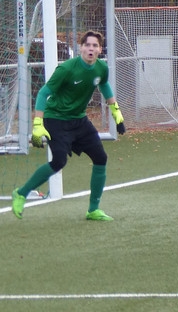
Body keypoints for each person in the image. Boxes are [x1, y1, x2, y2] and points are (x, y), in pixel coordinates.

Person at [11, 30, 124, 221]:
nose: (91, 48)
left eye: (95, 45)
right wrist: (38, 124)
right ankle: (21, 193)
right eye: (87, 45)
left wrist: (116, 112)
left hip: (79, 120)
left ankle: (93, 210)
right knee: (59, 162)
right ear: (81, 48)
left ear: (100, 49)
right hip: (56, 119)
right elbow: (43, 93)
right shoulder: (66, 69)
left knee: (100, 158)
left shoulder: (102, 68)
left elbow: (103, 84)